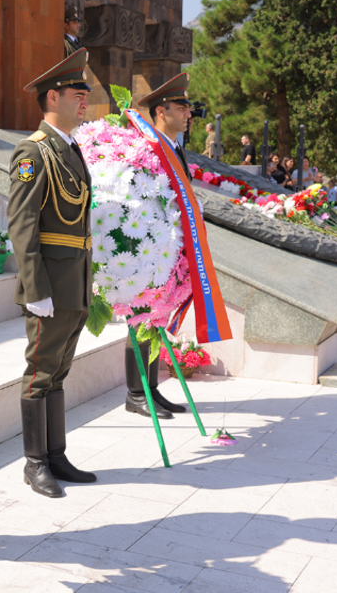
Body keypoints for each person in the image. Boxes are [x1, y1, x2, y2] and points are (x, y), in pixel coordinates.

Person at [7, 49, 96, 499]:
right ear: (53, 96)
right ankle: (35, 463)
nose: (86, 100)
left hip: (74, 280)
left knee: (59, 371)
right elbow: (22, 224)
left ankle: (56, 454)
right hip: (49, 286)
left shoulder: (70, 149)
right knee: (40, 372)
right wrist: (35, 288)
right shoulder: (33, 151)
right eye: (78, 93)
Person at [123, 73, 212, 421]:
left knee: (154, 322)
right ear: (161, 111)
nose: (189, 113)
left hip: (166, 249)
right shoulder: (148, 147)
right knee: (139, 320)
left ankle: (151, 389)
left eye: (189, 107)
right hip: (145, 249)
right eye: (182, 107)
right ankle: (135, 393)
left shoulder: (173, 146)